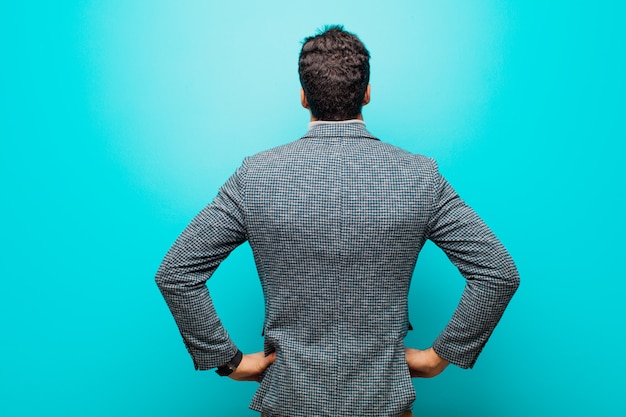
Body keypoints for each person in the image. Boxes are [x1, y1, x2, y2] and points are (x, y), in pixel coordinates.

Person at [155, 25, 519, 417]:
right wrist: (440, 356)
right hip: (383, 402)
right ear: (366, 92)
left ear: (302, 96)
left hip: (289, 401)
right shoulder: (419, 176)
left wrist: (227, 360)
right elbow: (498, 273)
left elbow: (176, 272)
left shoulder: (256, 176)